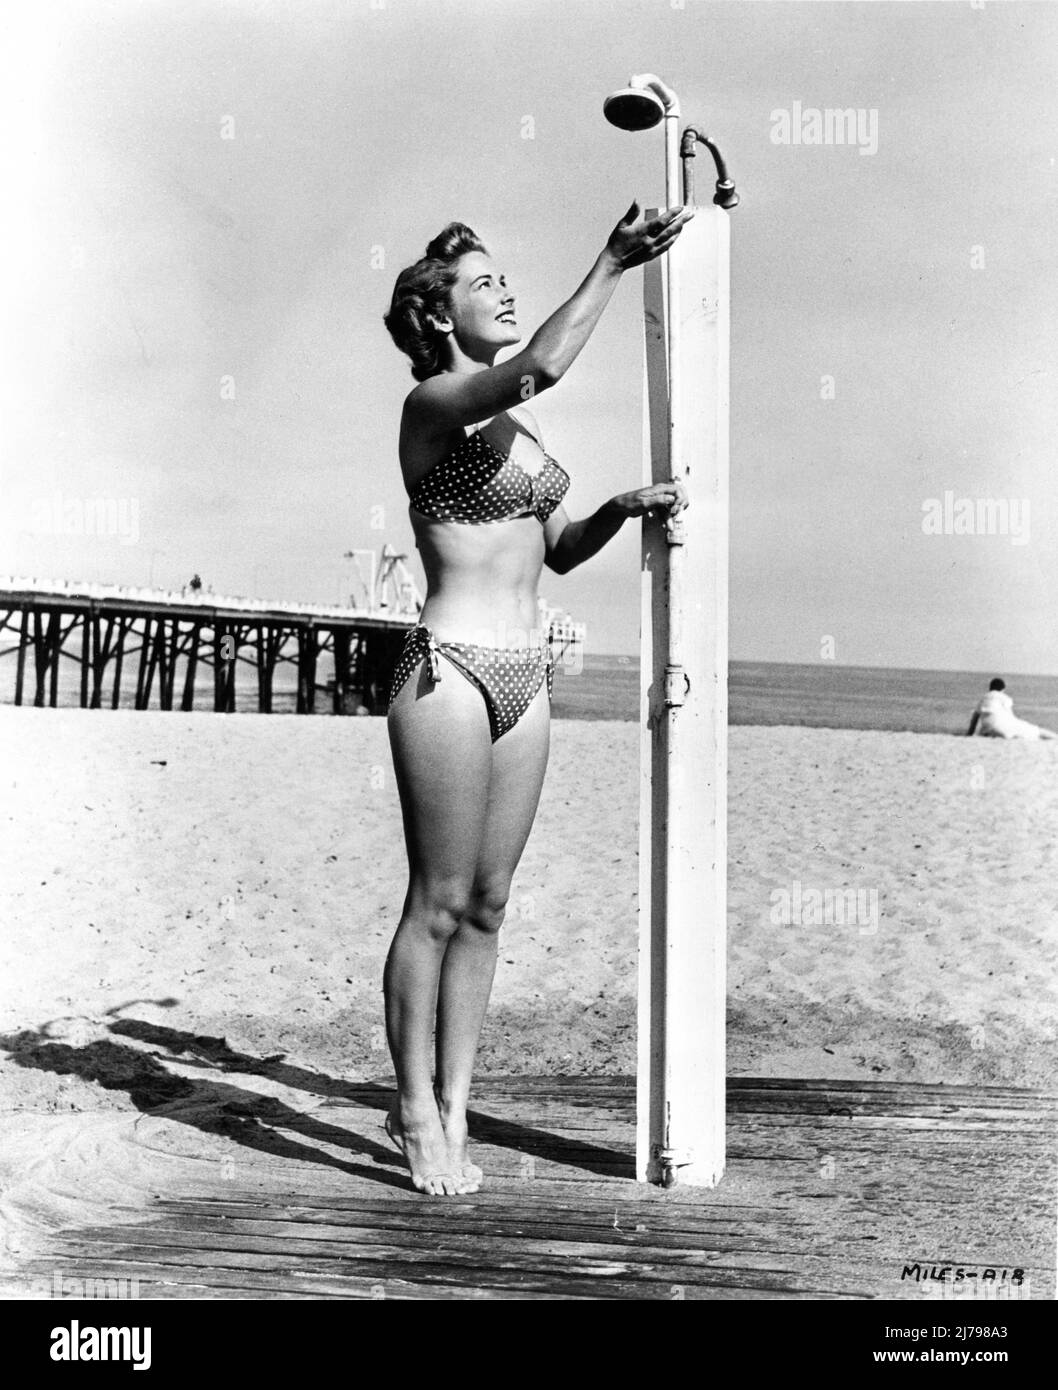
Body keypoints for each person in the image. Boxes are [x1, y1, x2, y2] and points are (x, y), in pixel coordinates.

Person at [380, 203, 692, 1195]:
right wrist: (609, 262)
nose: (504, 290)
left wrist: (619, 508)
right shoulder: (434, 404)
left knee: (488, 906)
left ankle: (458, 1101)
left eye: (504, 276)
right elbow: (541, 364)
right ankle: (411, 1109)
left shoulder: (517, 431)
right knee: (433, 905)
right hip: (451, 670)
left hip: (526, 675)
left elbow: (557, 545)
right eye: (483, 282)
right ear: (438, 317)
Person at [966, 677, 1057, 739]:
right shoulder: (1004, 697)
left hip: (987, 729)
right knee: (1036, 731)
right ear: (1002, 689)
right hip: (1002, 730)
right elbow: (1010, 716)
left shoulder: (983, 698)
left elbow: (975, 718)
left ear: (990, 688)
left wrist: (969, 734)